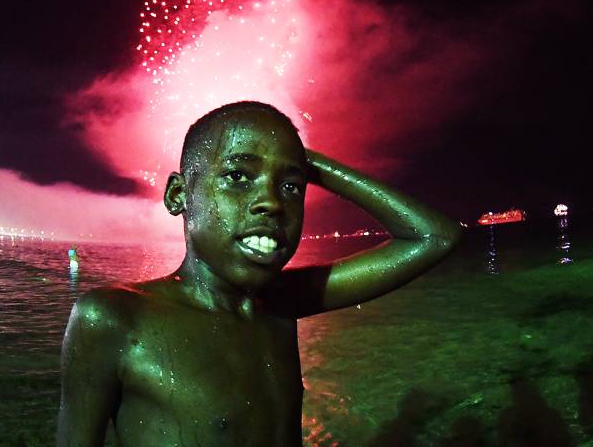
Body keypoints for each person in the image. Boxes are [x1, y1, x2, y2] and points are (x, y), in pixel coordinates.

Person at [57, 101, 463, 446]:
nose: (270, 201)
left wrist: (311, 163)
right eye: (237, 176)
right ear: (179, 196)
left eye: (291, 186)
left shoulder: (279, 304)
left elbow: (433, 237)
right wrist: (297, 161)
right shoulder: (114, 318)